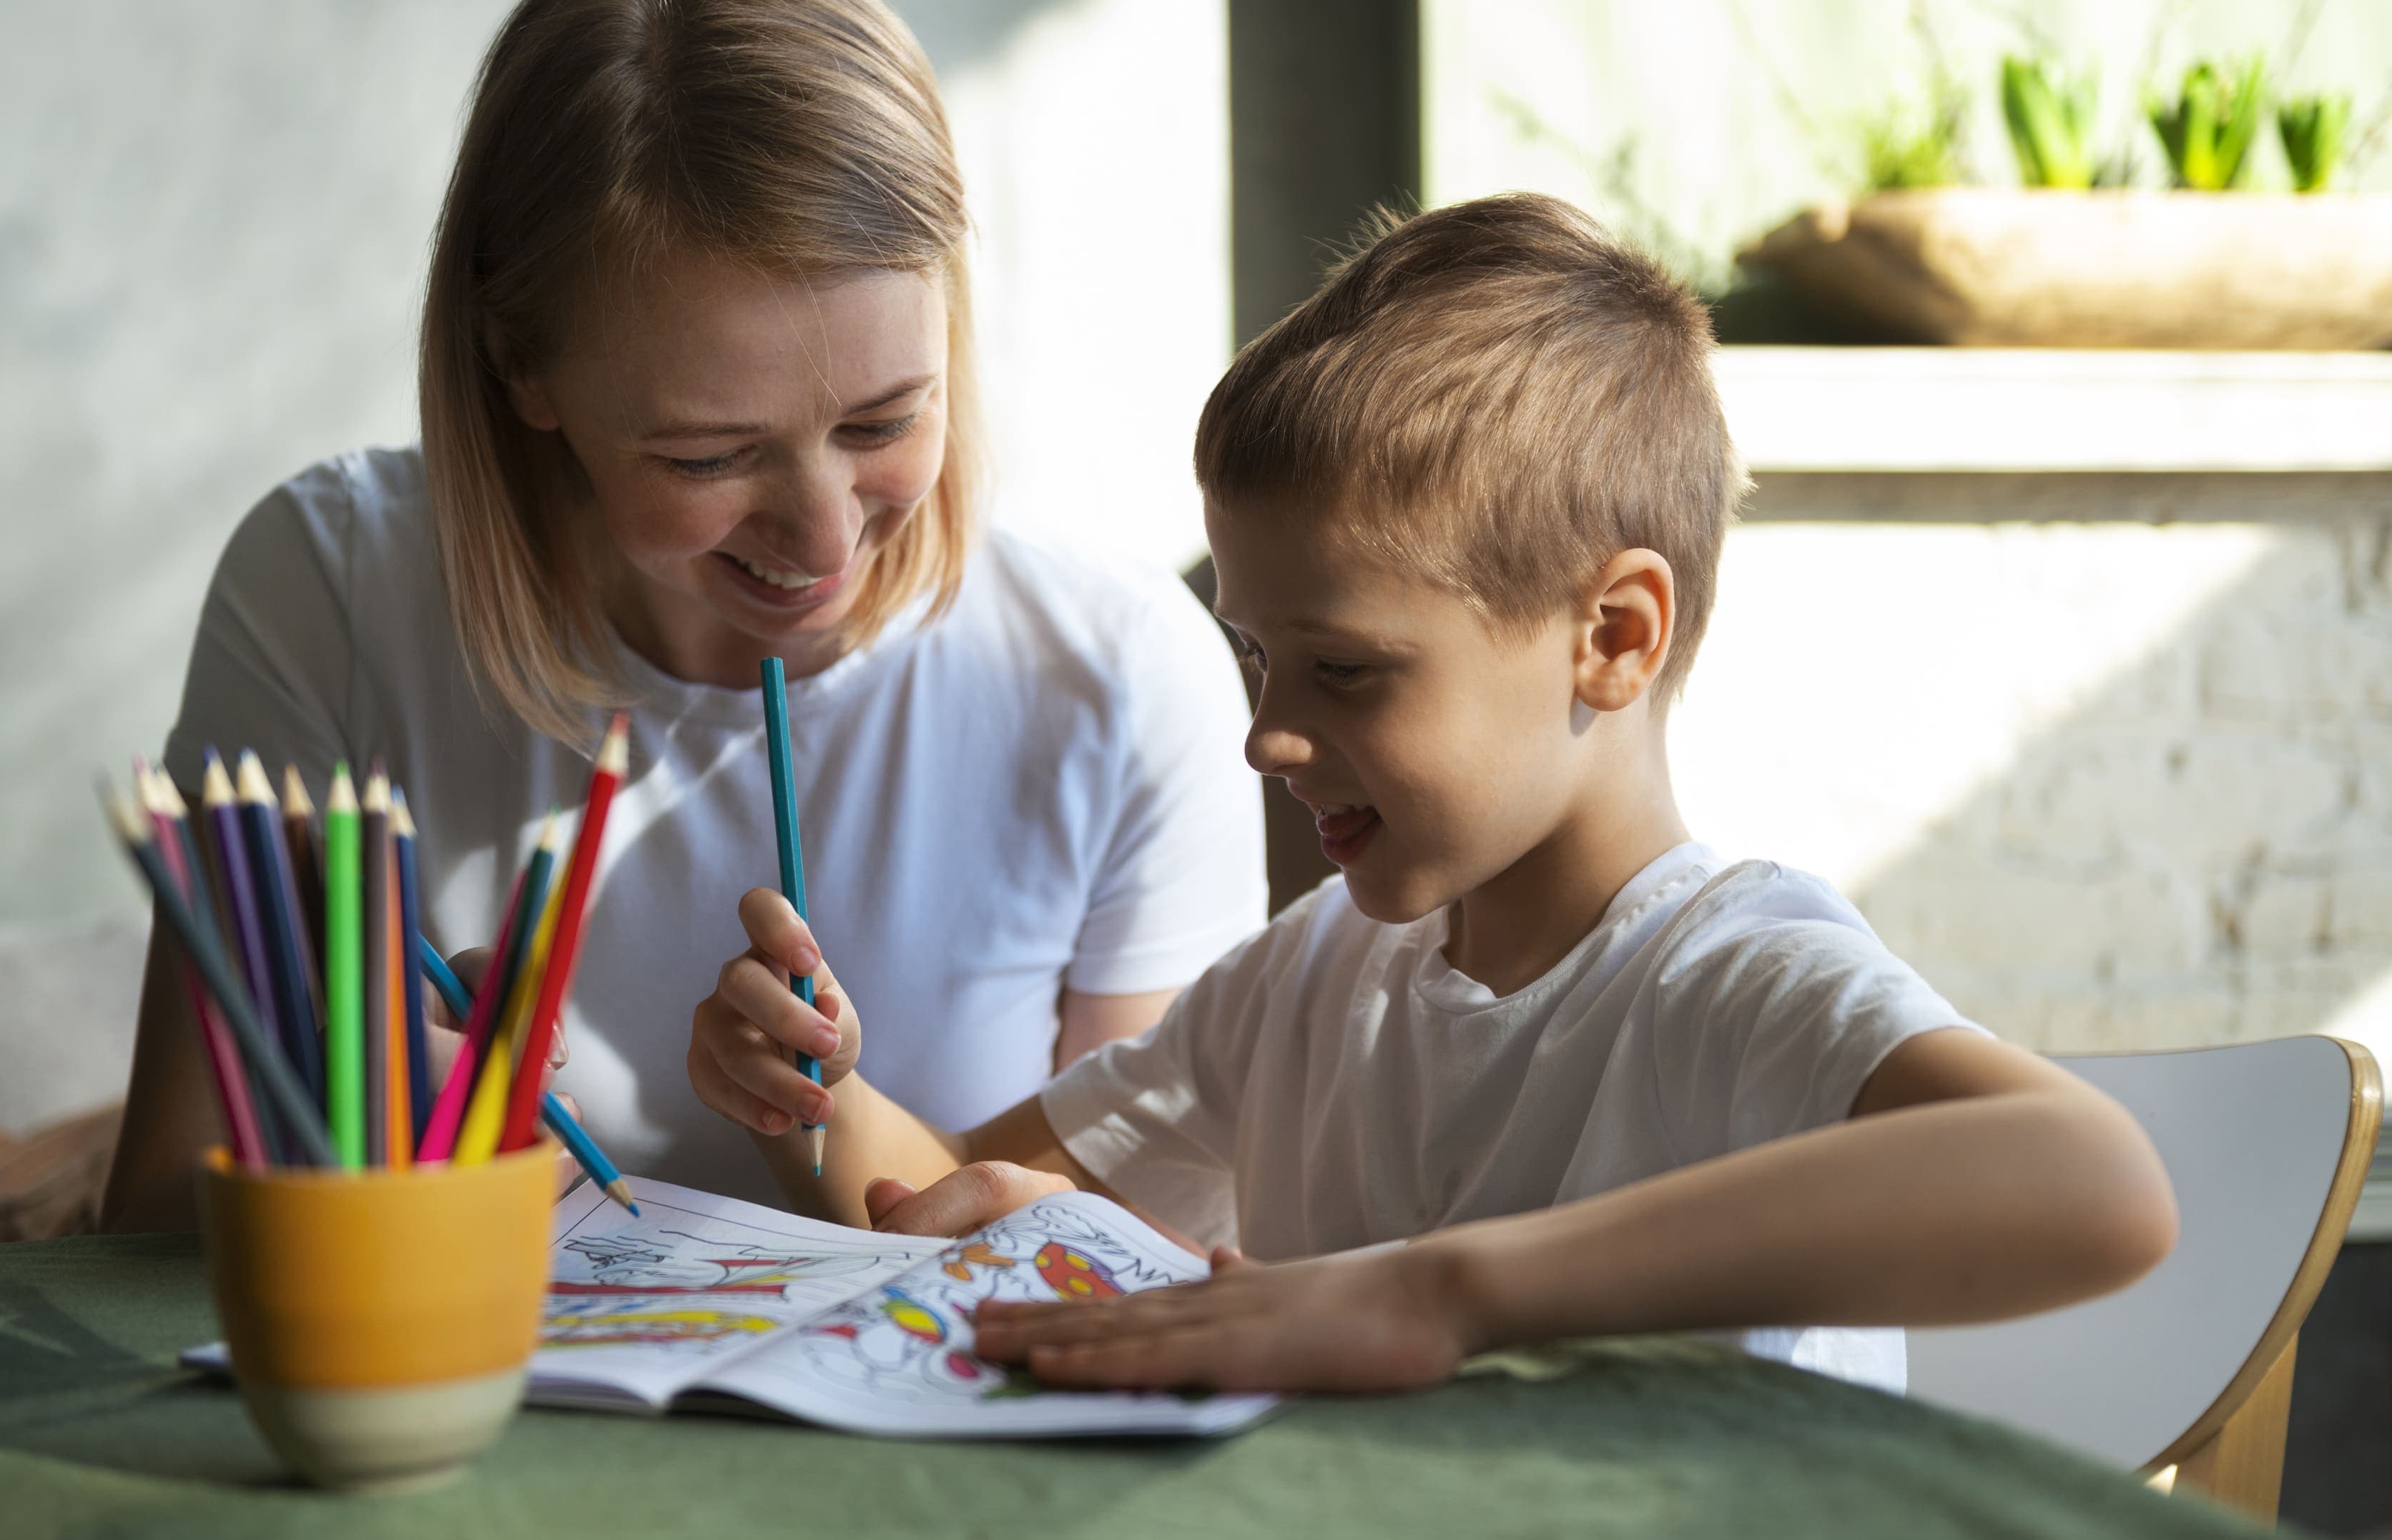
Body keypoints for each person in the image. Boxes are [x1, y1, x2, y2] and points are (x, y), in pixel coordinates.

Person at [685, 193, 2179, 1394]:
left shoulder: (1729, 979)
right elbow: (955, 1184)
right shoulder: (1310, 978)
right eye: (1258, 656)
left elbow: (2096, 1184)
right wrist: (811, 1096)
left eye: (1344, 671)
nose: (1267, 734)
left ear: (1611, 637)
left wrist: (1435, 1291)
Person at [100, 0, 1264, 1229]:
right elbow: (154, 1215)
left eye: (886, 420)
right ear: (520, 370)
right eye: (709, 454)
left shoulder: (1119, 669)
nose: (822, 534)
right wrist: (362, 1161)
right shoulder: (331, 590)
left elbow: (1153, 1257)